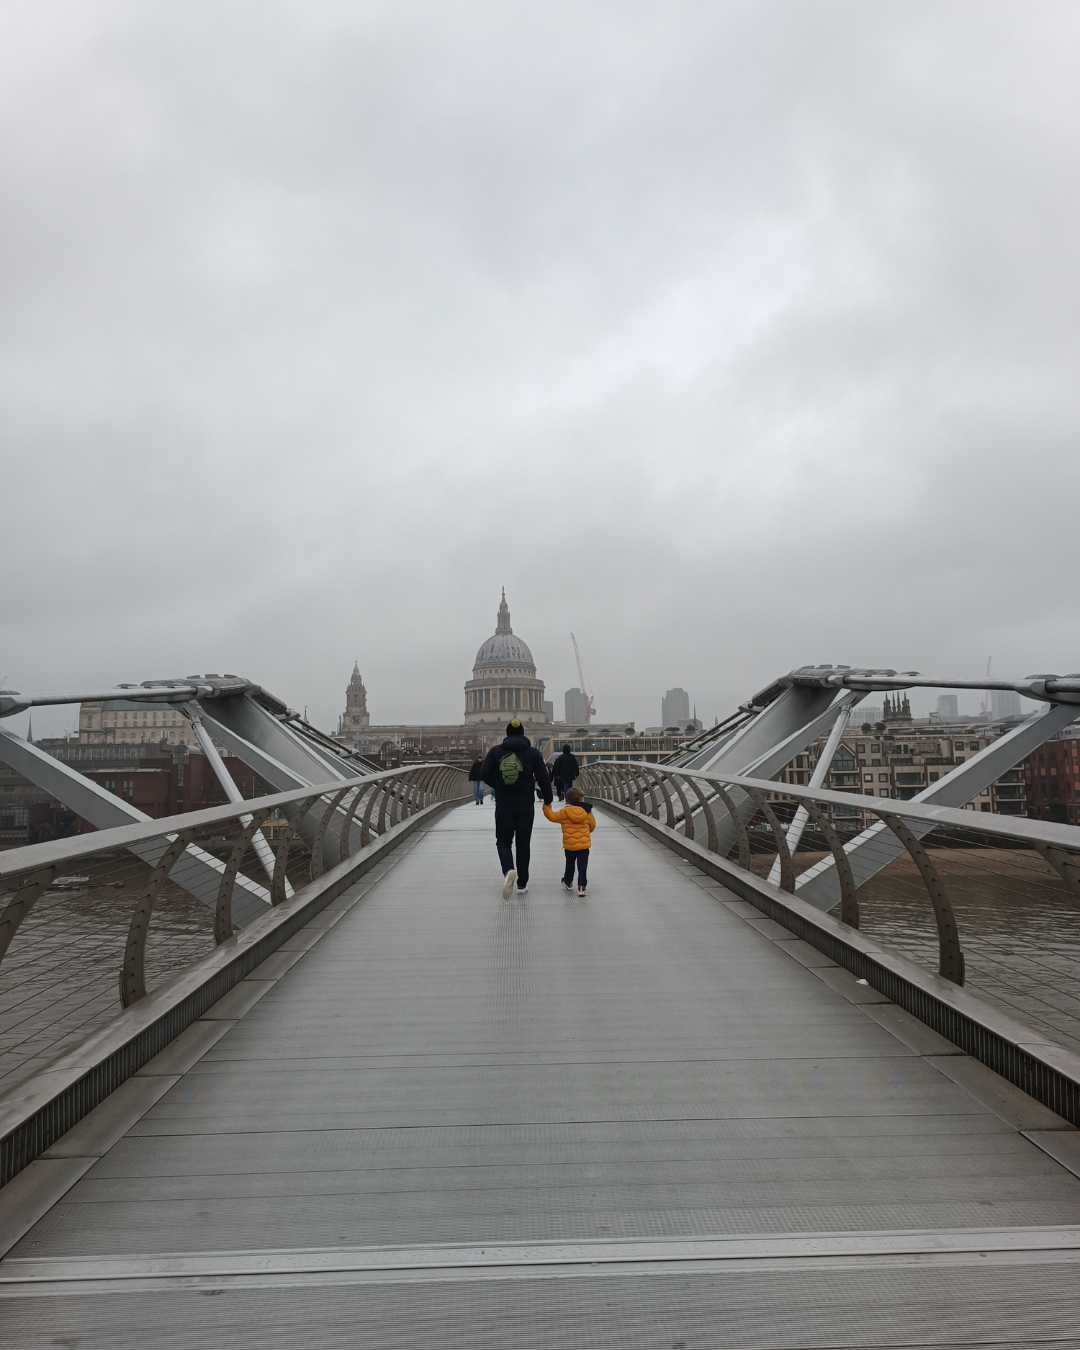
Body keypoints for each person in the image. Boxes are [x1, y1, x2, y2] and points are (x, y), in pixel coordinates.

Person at [481, 718, 553, 898]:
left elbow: (483, 774)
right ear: (523, 733)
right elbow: (544, 778)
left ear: (506, 733)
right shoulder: (533, 753)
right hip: (525, 805)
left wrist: (498, 784)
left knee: (503, 842)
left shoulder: (496, 752)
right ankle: (522, 883)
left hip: (504, 804)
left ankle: (508, 870)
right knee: (523, 844)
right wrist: (548, 798)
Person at [543, 787, 596, 897]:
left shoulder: (564, 812)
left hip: (570, 846)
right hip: (584, 846)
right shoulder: (587, 812)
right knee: (582, 867)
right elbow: (592, 825)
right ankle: (582, 887)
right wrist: (586, 832)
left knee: (570, 864)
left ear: (567, 800)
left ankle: (568, 881)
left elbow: (552, 816)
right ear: (580, 800)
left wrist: (546, 807)